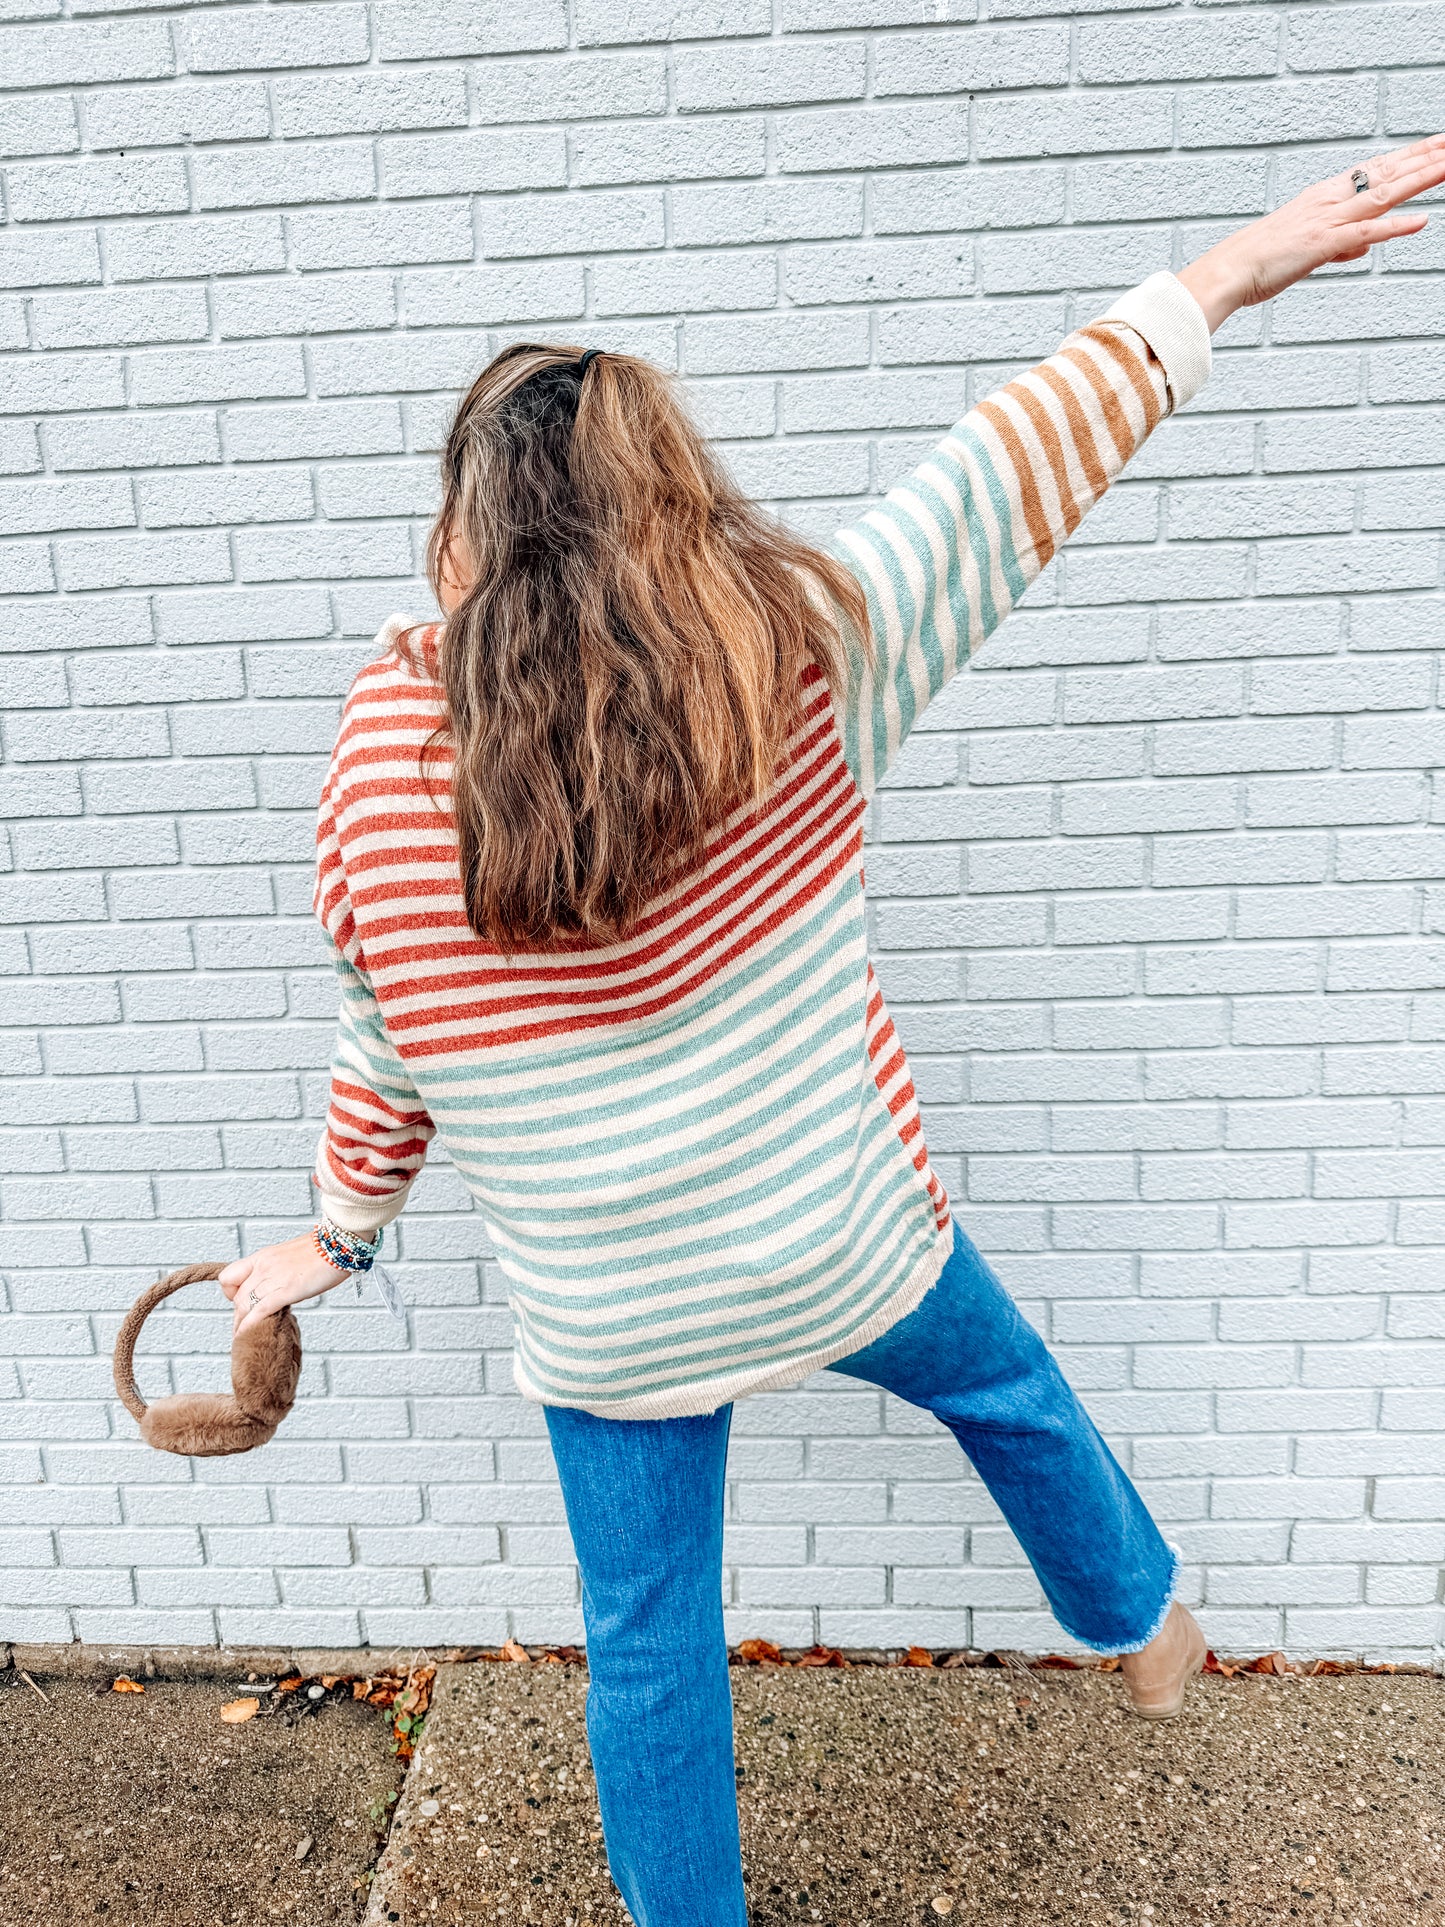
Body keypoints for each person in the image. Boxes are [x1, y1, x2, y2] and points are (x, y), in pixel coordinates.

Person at [219, 136, 1444, 1925]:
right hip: (843, 1249)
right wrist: (1238, 265)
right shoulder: (794, 664)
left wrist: (333, 1238)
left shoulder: (380, 782)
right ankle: (1147, 1631)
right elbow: (1012, 463)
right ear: (666, 500)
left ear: (462, 527)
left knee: (648, 1653)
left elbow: (383, 1038)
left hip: (615, 1309)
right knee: (1012, 1390)